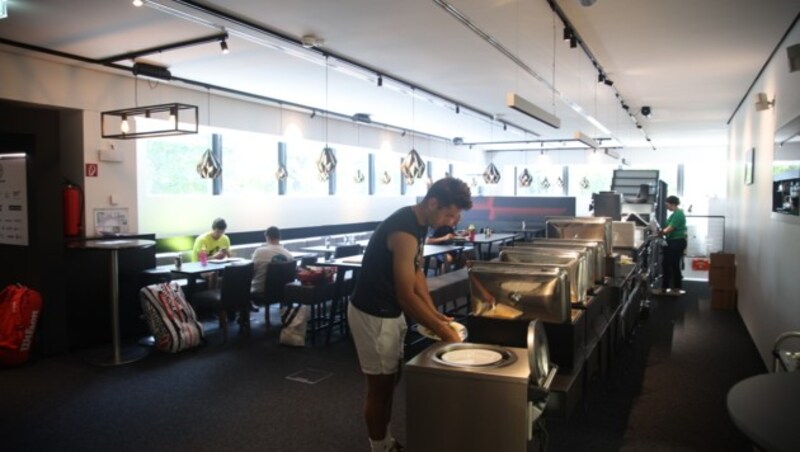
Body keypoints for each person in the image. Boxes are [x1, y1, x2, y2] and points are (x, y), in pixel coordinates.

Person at [348, 177, 473, 452]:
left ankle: (386, 440)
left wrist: (435, 315)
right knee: (380, 387)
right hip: (373, 314)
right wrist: (445, 333)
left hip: (389, 311)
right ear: (432, 203)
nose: (453, 221)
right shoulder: (404, 230)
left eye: (456, 216)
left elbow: (416, 272)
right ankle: (379, 446)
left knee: (392, 378)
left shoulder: (419, 223)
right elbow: (406, 294)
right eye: (450, 214)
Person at [250, 226, 294, 295]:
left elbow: (251, 272)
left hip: (259, 291)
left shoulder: (260, 252)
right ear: (279, 238)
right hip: (281, 292)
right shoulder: (289, 255)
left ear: (267, 237)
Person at [192, 218, 231, 291]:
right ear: (212, 229)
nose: (219, 234)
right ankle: (212, 299)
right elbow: (201, 260)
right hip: (200, 268)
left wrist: (227, 254)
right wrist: (215, 257)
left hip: (218, 266)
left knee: (235, 271)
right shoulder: (202, 240)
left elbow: (230, 256)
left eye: (222, 232)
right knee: (213, 273)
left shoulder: (225, 239)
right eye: (217, 232)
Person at [659, 195, 687, 295]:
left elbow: (670, 229)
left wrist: (660, 233)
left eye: (667, 205)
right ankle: (671, 287)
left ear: (673, 204)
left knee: (670, 264)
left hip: (677, 242)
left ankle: (670, 287)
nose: (666, 207)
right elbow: (667, 226)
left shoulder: (678, 214)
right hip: (673, 241)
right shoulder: (674, 214)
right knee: (670, 264)